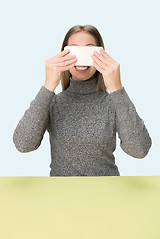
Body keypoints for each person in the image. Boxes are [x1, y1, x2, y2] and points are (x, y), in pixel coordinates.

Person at [13, 24, 152, 176]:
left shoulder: (114, 102)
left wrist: (117, 88)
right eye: (74, 50)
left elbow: (139, 150)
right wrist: (48, 85)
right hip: (61, 195)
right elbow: (23, 144)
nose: (81, 59)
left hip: (107, 193)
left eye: (89, 50)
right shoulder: (52, 102)